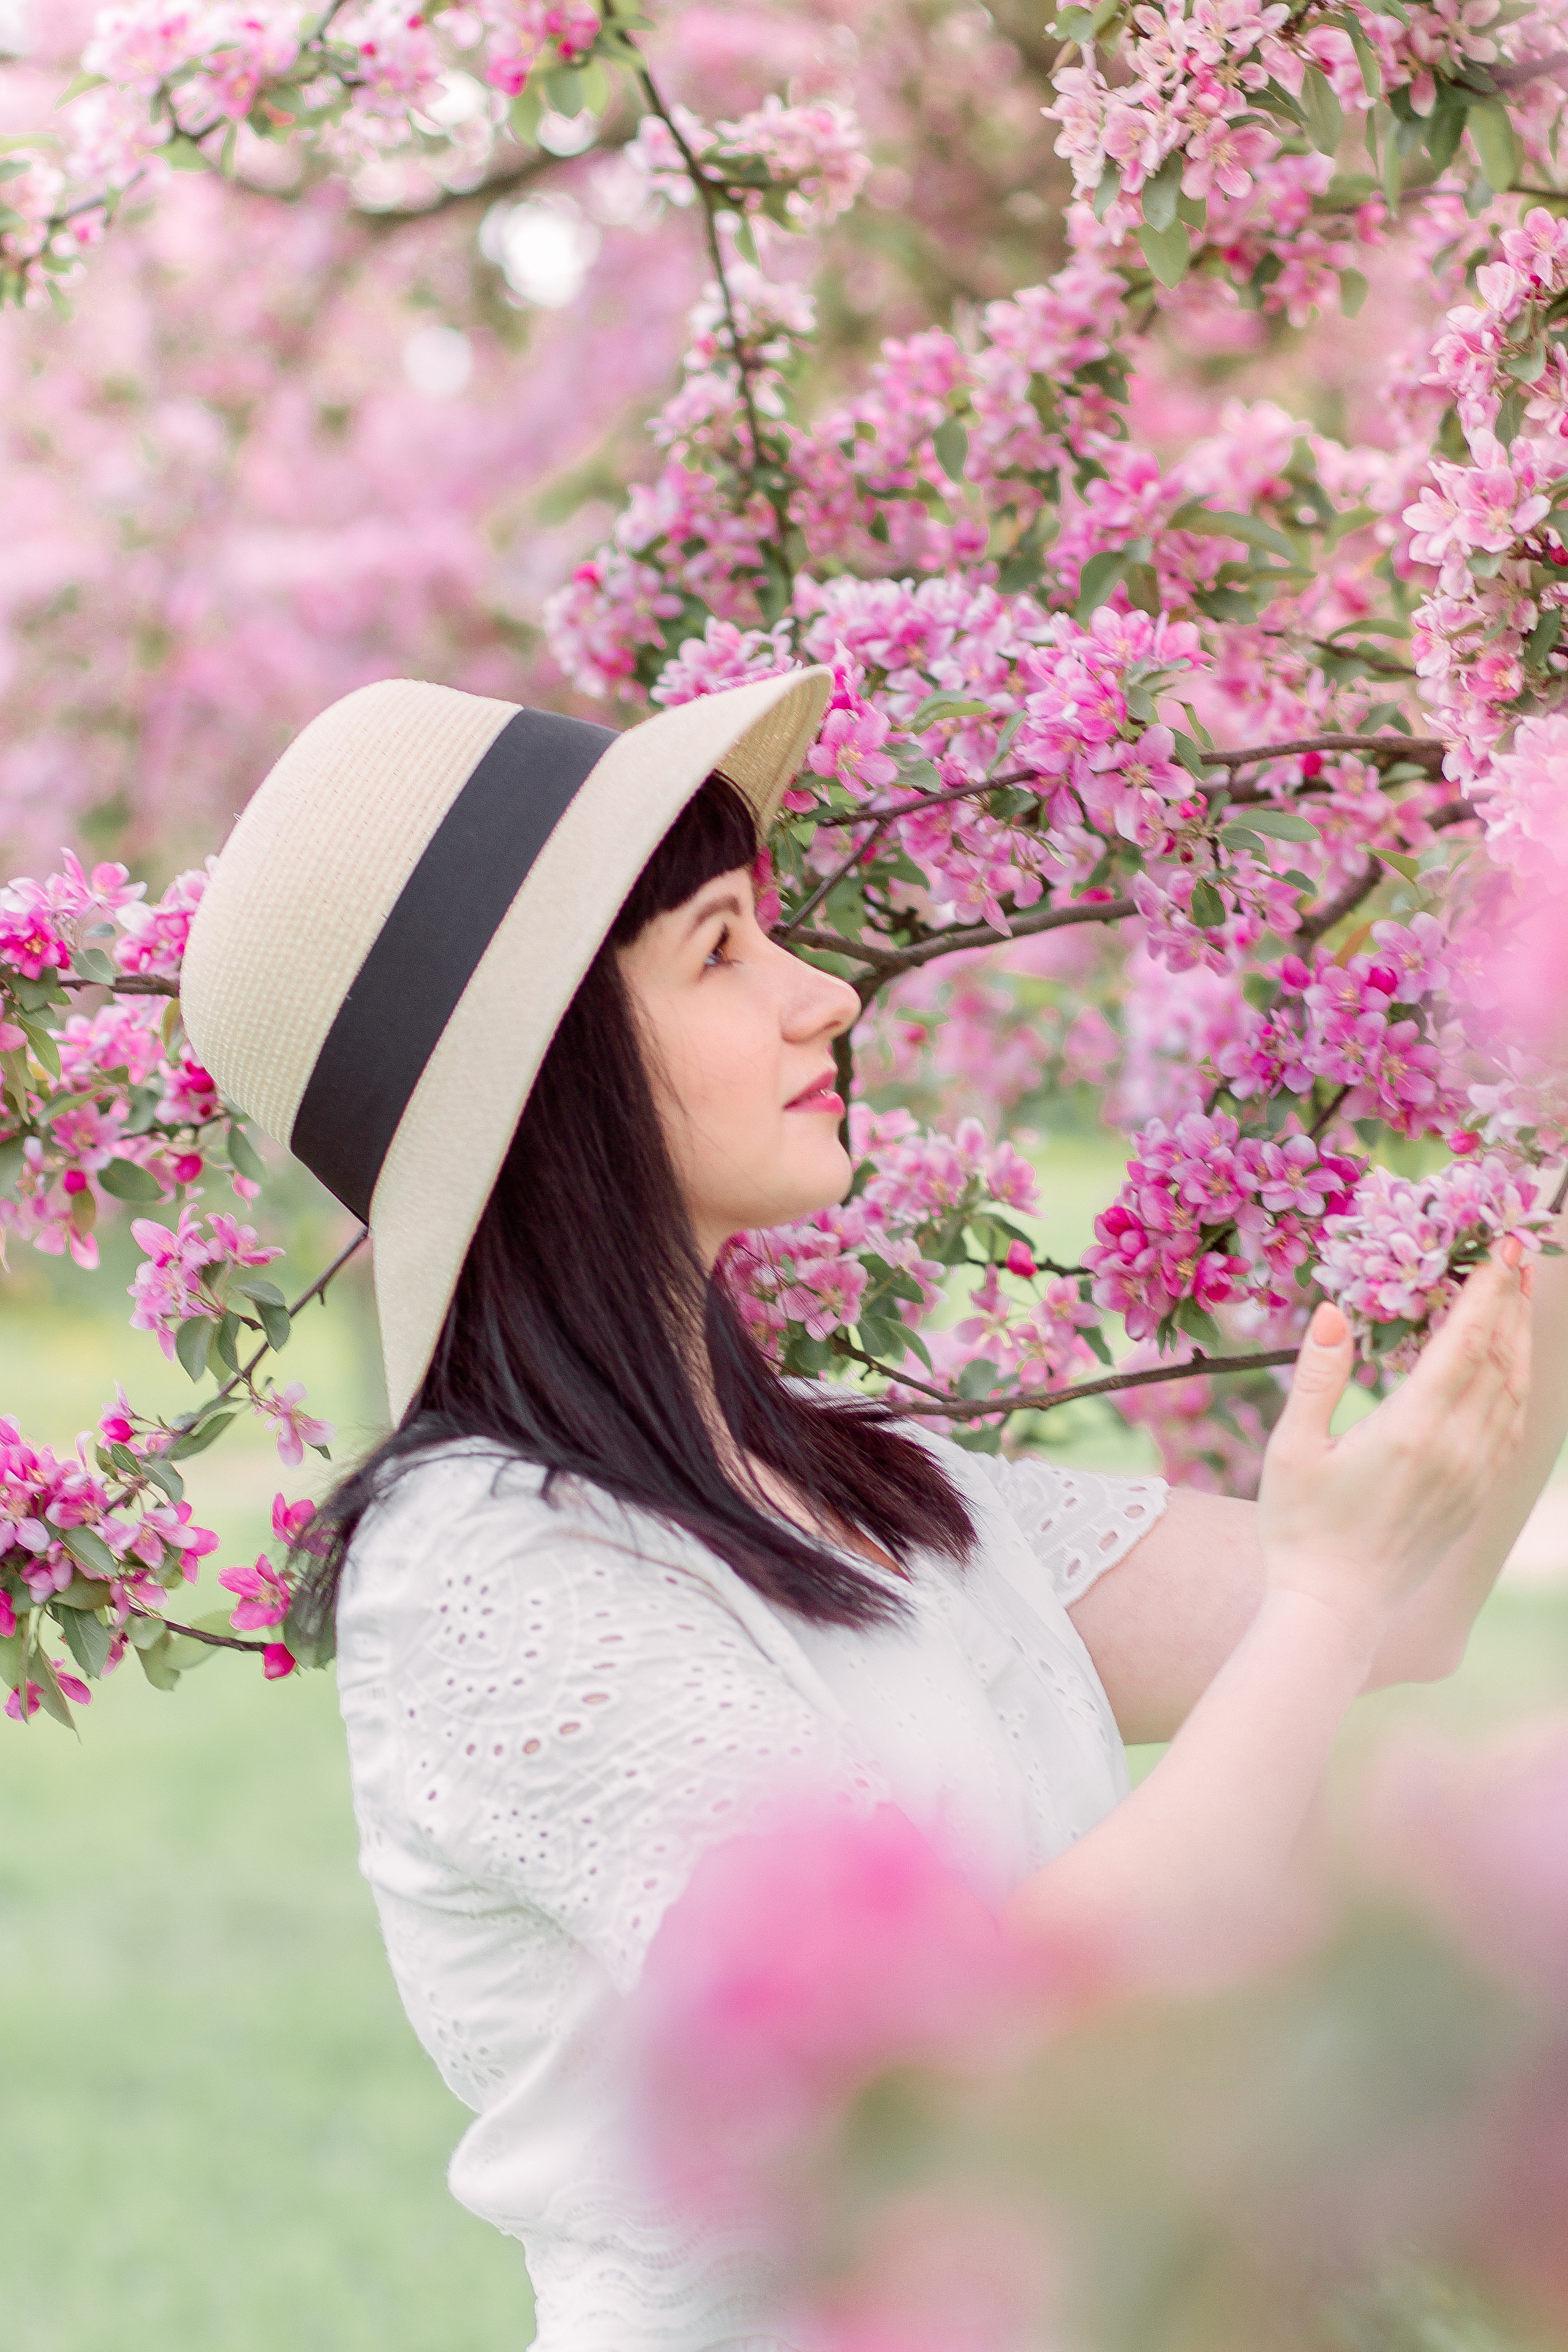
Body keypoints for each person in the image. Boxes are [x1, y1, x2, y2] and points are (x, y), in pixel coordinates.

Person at [180, 670, 1564, 2351]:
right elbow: (958, 2066)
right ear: (553, 1071)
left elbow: (1394, 1608)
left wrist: (1538, 1222)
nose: (824, 995)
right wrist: (1332, 1600)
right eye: (718, 952)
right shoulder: (483, 1570)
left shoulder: (845, 1486)